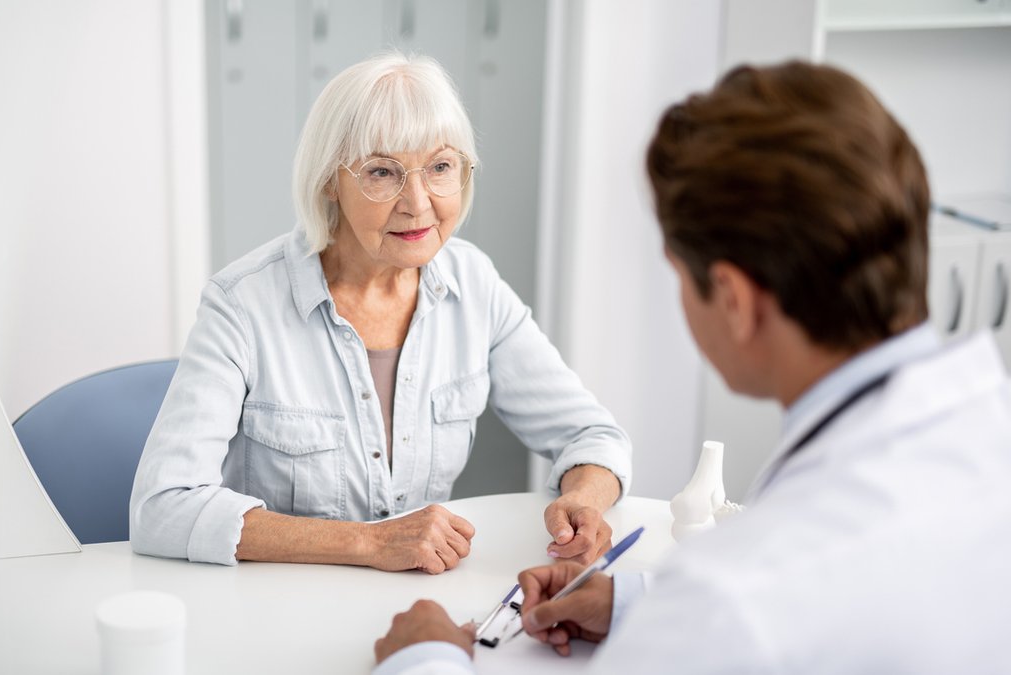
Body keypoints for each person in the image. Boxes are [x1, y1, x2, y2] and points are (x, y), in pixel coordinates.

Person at [373, 61, 1011, 672]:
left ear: (733, 300)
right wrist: (636, 601)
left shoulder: (729, 598)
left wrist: (423, 658)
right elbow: (874, 587)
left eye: (678, 275)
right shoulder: (985, 429)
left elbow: (759, 603)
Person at [128, 51, 632, 572]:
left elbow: (592, 437)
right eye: (382, 172)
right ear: (330, 180)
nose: (418, 202)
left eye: (440, 167)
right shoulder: (242, 304)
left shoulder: (473, 284)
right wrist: (368, 543)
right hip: (276, 609)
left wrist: (585, 499)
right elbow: (162, 507)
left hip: (416, 602)